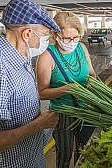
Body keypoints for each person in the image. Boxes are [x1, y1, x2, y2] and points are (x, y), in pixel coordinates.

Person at [0, 0, 60, 167]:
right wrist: (40, 124)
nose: (47, 41)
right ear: (27, 34)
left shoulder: (20, 56)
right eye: (45, 35)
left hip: (32, 158)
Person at [35, 11, 96, 168]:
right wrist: (67, 89)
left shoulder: (81, 48)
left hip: (87, 110)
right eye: (67, 38)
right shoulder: (46, 57)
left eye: (75, 37)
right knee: (64, 154)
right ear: (56, 36)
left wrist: (98, 90)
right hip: (63, 115)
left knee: (84, 151)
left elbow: (91, 74)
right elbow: (41, 93)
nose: (72, 41)